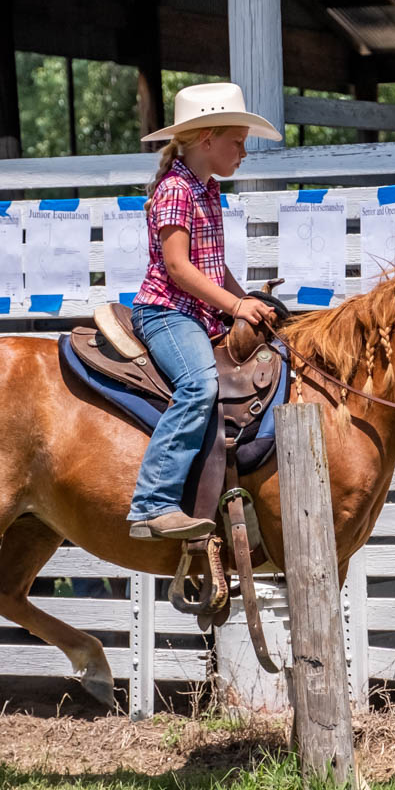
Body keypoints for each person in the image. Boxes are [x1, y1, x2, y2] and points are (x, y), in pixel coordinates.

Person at [126, 83, 278, 542]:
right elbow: (178, 268)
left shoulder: (207, 188)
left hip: (198, 313)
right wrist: (235, 305)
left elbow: (212, 264)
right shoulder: (176, 190)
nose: (244, 153)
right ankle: (152, 503)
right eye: (238, 142)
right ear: (207, 140)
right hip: (166, 312)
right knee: (198, 385)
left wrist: (249, 301)